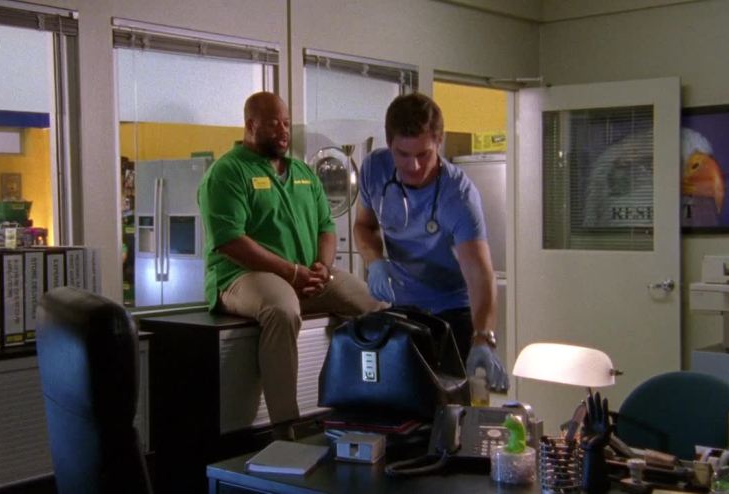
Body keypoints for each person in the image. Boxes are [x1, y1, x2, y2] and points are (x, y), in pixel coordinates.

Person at [199, 91, 384, 439]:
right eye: (274, 124)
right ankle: (285, 426)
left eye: (286, 123)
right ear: (251, 125)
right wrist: (291, 273)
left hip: (305, 274)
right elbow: (230, 241)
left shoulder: (301, 172)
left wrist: (322, 268)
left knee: (375, 306)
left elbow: (326, 226)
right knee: (282, 310)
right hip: (242, 277)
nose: (283, 131)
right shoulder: (227, 172)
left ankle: (373, 405)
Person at [353, 92, 509, 392]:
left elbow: (479, 274)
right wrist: (374, 262)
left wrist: (483, 338)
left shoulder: (458, 196)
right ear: (389, 143)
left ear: (439, 142)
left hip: (451, 312)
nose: (413, 166)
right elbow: (363, 225)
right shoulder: (375, 170)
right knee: (399, 403)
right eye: (402, 154)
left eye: (423, 154)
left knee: (448, 408)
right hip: (402, 308)